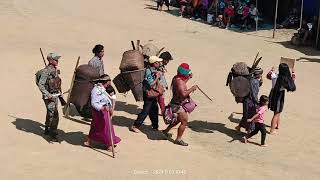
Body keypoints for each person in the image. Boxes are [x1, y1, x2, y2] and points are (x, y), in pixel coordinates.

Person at [162, 63, 198, 146]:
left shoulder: (176, 78)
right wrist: (192, 88)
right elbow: (183, 94)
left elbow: (182, 83)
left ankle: (165, 131)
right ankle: (178, 139)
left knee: (178, 120)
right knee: (184, 122)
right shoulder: (180, 82)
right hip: (178, 105)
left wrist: (188, 77)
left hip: (175, 103)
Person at [84, 74, 121, 151]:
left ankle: (90, 142)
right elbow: (94, 103)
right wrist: (103, 108)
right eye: (109, 81)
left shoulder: (104, 89)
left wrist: (110, 108)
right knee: (106, 127)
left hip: (105, 110)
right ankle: (109, 145)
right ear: (106, 82)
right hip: (100, 112)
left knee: (96, 126)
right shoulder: (96, 90)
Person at [130, 56, 164, 132]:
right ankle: (135, 125)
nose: (159, 63)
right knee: (146, 110)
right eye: (158, 62)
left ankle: (155, 126)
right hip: (148, 94)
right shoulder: (148, 71)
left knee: (154, 109)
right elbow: (151, 84)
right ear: (154, 63)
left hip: (153, 94)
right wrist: (157, 77)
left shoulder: (154, 69)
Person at [37, 53, 62, 141]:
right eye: (55, 59)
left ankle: (47, 127)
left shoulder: (54, 70)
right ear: (51, 61)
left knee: (50, 112)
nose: (57, 61)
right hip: (49, 96)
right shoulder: (46, 71)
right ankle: (52, 134)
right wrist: (48, 95)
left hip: (55, 95)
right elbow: (41, 84)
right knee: (54, 114)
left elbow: (56, 82)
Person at [267, 63, 296, 134]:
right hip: (279, 95)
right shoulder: (286, 80)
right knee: (277, 113)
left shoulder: (275, 75)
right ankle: (272, 130)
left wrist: (271, 70)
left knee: (277, 112)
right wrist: (293, 72)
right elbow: (292, 83)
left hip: (273, 93)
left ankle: (277, 125)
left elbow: (268, 76)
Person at [235, 67, 263, 133]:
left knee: (246, 115)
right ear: (259, 74)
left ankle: (239, 127)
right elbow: (253, 93)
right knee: (251, 115)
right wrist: (257, 102)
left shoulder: (251, 79)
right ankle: (249, 132)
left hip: (246, 100)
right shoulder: (255, 82)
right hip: (251, 101)